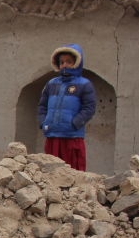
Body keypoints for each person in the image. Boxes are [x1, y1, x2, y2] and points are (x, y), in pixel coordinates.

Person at [38, 43, 96, 171]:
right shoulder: (51, 84)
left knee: (73, 172)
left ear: (77, 62)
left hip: (72, 137)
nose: (64, 65)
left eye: (69, 62)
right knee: (51, 173)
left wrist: (74, 123)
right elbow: (42, 106)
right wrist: (44, 122)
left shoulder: (84, 84)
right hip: (52, 136)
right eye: (62, 62)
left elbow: (89, 108)